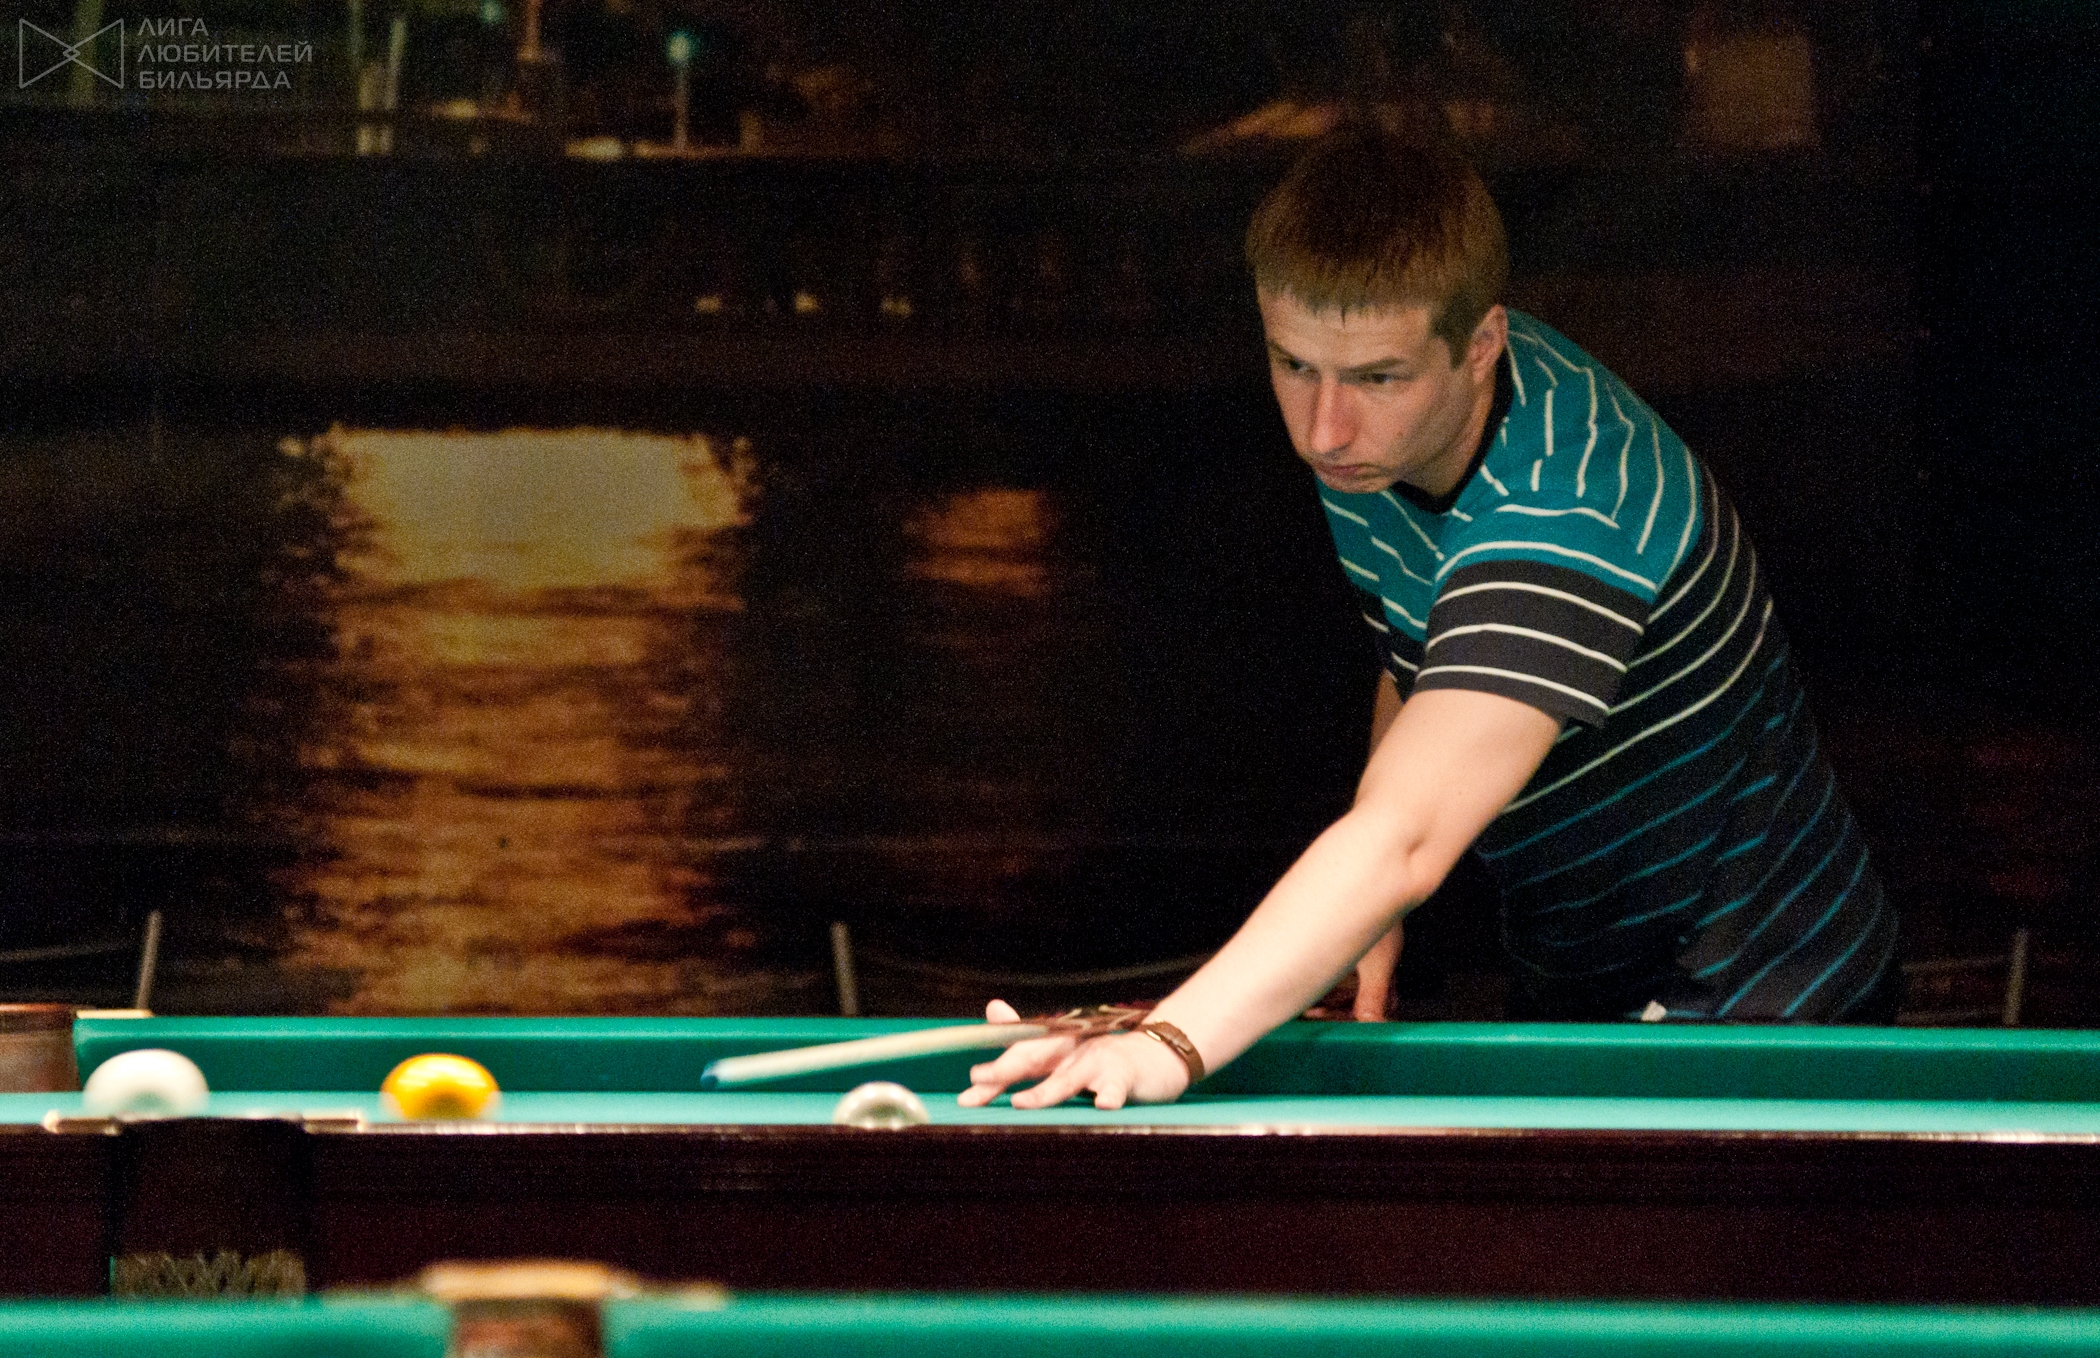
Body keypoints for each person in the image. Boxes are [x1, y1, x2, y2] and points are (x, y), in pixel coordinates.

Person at [960, 124, 1900, 1112]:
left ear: (1481, 344)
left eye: (1376, 377)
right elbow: (1423, 657)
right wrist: (1363, 916)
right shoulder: (1387, 438)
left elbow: (1406, 839)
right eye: (1294, 365)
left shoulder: (1564, 516)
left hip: (1766, 1001)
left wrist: (1169, 1042)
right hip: (1591, 972)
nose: (1324, 428)